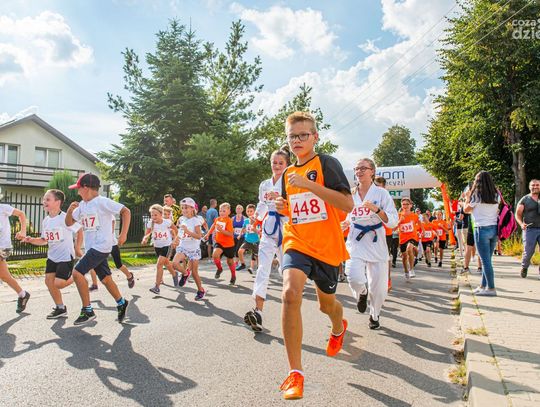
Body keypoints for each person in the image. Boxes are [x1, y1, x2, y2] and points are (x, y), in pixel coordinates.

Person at [274, 111, 353, 400]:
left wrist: (309, 185)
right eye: (292, 136)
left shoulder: (327, 163)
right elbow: (295, 209)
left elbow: (347, 204)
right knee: (289, 294)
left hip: (327, 247)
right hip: (297, 240)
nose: (297, 140)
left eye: (303, 135)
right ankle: (295, 373)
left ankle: (338, 327)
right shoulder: (286, 175)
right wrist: (284, 206)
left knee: (326, 306)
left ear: (315, 137)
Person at [65, 173, 130, 325]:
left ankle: (87, 310)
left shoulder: (102, 202)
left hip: (102, 246)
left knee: (77, 272)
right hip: (92, 248)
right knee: (106, 279)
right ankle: (121, 303)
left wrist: (123, 234)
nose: (78, 192)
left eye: (79, 188)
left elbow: (126, 211)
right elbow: (69, 223)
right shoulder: (82, 205)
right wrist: (69, 211)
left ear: (86, 188)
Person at [344, 158, 398, 330]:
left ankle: (374, 315)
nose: (359, 171)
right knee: (352, 276)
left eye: (363, 168)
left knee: (379, 288)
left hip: (376, 242)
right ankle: (362, 292)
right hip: (356, 240)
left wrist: (377, 210)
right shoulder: (350, 194)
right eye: (357, 168)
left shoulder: (382, 194)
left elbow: (393, 221)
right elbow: (349, 215)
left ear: (372, 171)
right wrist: (346, 222)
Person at [243, 148, 291, 332]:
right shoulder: (264, 184)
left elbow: (295, 206)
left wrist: (279, 199)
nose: (277, 166)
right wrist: (255, 218)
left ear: (287, 164)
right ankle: (258, 311)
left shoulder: (291, 182)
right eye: (274, 162)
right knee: (263, 268)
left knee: (286, 271)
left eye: (280, 163)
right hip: (269, 228)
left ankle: (291, 308)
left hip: (287, 227)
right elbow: (262, 204)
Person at [24, 189, 83, 318]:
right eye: (44, 199)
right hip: (52, 257)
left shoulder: (65, 218)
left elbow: (79, 230)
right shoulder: (46, 221)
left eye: (48, 199)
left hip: (65, 256)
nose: (44, 202)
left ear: (58, 202)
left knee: (59, 283)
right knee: (49, 282)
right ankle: (60, 308)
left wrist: (77, 248)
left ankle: (78, 275)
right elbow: (44, 240)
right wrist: (31, 240)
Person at [463, 171, 500, 296]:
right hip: (493, 229)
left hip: (481, 229)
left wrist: (467, 198)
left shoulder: (476, 195)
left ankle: (491, 288)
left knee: (485, 261)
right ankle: (483, 285)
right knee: (487, 260)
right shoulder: (496, 194)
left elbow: (466, 210)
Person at [0, 202, 30, 313]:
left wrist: (23, 231)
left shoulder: (3, 208)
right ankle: (23, 294)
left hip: (3, 247)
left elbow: (21, 214)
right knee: (5, 276)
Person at [142, 204, 179, 294]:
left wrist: (175, 240)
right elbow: (147, 233)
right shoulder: (150, 223)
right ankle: (174, 274)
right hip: (157, 246)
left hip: (167, 245)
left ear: (161, 214)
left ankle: (157, 287)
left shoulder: (167, 222)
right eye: (152, 215)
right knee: (166, 263)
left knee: (159, 265)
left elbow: (176, 230)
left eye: (155, 215)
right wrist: (145, 238)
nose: (153, 217)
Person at [174, 197, 206, 300]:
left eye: (186, 207)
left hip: (193, 249)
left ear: (192, 208)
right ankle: (185, 273)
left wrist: (188, 231)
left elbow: (199, 236)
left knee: (195, 273)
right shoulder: (182, 219)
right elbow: (180, 233)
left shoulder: (195, 220)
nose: (184, 210)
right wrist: (176, 240)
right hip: (183, 246)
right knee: (174, 264)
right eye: (182, 208)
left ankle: (201, 290)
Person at [89, 220, 135, 291]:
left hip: (112, 245)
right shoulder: (97, 217)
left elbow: (111, 231)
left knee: (119, 265)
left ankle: (129, 276)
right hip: (100, 245)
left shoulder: (110, 217)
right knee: (92, 263)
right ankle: (94, 285)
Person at [203, 202, 237, 285]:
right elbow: (213, 226)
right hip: (219, 242)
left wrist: (221, 230)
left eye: (224, 211)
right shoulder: (217, 219)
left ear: (229, 212)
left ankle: (233, 276)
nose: (221, 212)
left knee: (230, 262)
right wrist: (208, 234)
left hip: (229, 244)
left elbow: (231, 234)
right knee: (215, 255)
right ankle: (219, 269)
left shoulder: (229, 221)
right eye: (220, 211)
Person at [515, 179, 540, 278]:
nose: (535, 187)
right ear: (529, 187)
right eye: (533, 185)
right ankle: (524, 267)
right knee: (528, 252)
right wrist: (521, 224)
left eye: (537, 185)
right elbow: (518, 214)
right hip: (530, 229)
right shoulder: (525, 199)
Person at [374, 176, 394, 291]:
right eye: (375, 186)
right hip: (371, 232)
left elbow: (392, 217)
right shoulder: (369, 196)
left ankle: (387, 280)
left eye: (379, 186)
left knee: (385, 257)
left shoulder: (387, 199)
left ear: (384, 187)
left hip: (386, 232)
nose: (377, 189)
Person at [397, 197, 423, 279]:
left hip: (412, 237)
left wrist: (423, 231)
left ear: (411, 205)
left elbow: (420, 224)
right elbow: (393, 228)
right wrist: (399, 222)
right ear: (401, 205)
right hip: (403, 238)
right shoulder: (398, 215)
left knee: (409, 248)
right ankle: (406, 271)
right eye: (403, 204)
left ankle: (411, 269)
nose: (405, 206)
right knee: (404, 257)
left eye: (407, 204)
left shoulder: (414, 215)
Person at [237, 204, 260, 274]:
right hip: (247, 240)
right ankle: (243, 264)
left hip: (255, 240)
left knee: (256, 256)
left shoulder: (258, 220)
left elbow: (259, 231)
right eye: (248, 211)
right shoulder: (246, 220)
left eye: (251, 211)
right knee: (240, 251)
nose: (249, 213)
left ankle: (258, 268)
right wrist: (240, 235)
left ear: (254, 212)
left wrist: (255, 229)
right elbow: (243, 228)